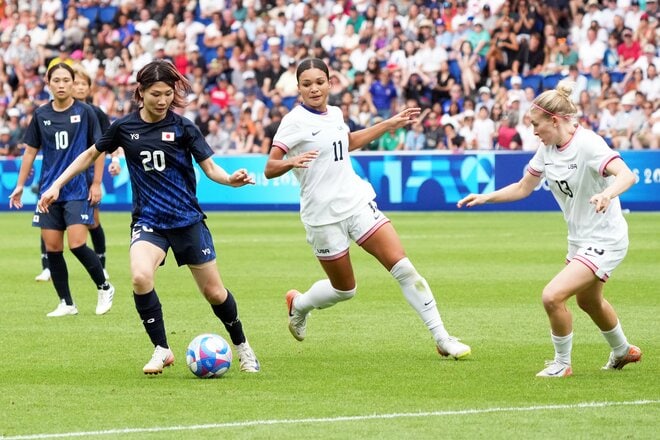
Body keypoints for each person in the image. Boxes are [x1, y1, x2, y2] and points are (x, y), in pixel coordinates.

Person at [37, 60, 261, 375]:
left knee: (214, 292)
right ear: (141, 92)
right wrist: (56, 185)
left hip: (187, 221)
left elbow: (210, 168)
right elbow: (90, 155)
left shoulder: (184, 127)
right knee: (141, 276)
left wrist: (231, 179)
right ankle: (161, 349)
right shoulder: (124, 127)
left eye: (168, 94)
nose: (162, 100)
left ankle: (242, 347)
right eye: (156, 93)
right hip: (149, 222)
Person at [264, 58, 471, 360]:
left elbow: (345, 143)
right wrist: (288, 163)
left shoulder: (335, 112)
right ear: (298, 88)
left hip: (356, 201)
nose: (314, 89)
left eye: (319, 82)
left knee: (403, 267)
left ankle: (442, 337)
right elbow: (269, 167)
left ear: (330, 83)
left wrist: (389, 124)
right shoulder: (293, 122)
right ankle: (300, 305)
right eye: (306, 84)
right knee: (345, 290)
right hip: (322, 216)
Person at [457, 80, 642, 377]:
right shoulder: (547, 148)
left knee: (552, 296)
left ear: (554, 121)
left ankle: (561, 364)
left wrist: (607, 194)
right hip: (579, 239)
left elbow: (627, 175)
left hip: (606, 238)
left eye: (536, 124)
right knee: (589, 301)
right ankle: (623, 351)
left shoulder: (588, 144)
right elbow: (522, 187)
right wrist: (485, 197)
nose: (533, 131)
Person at [8, 63, 115, 317]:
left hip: (77, 189)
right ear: (48, 83)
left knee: (77, 244)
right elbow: (30, 152)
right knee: (53, 248)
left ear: (72, 82)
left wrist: (97, 183)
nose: (62, 84)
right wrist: (20, 185)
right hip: (48, 191)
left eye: (66, 80)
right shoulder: (41, 115)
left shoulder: (86, 112)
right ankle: (66, 303)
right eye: (56, 80)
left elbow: (97, 149)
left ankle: (104, 286)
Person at [35, 64, 114, 283]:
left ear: (89, 88)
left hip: (85, 177)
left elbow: (107, 143)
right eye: (75, 82)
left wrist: (110, 165)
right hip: (55, 179)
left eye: (81, 83)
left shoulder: (93, 113)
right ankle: (47, 266)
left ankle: (102, 266)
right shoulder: (46, 112)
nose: (77, 87)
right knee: (50, 221)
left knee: (92, 223)